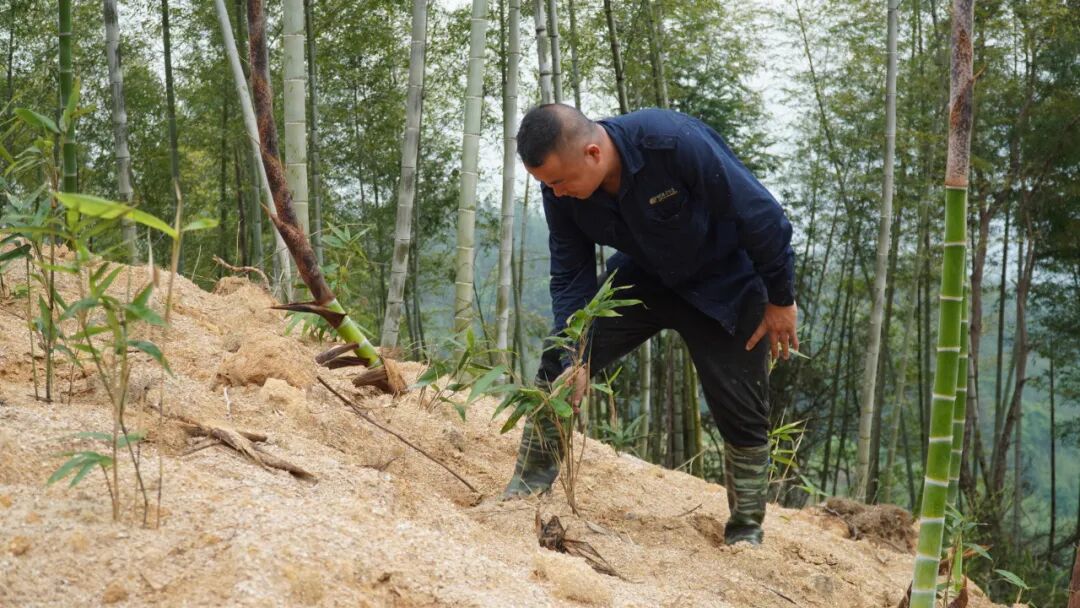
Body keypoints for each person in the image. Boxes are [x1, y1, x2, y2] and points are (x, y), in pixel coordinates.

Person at [502, 104, 799, 546]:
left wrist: (780, 299)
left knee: (743, 410)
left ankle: (745, 533)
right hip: (644, 277)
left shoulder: (672, 142)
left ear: (593, 153)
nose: (556, 193)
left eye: (560, 182)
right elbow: (570, 274)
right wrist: (575, 353)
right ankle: (525, 490)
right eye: (548, 185)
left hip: (726, 281)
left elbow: (761, 216)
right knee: (557, 367)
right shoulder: (558, 188)